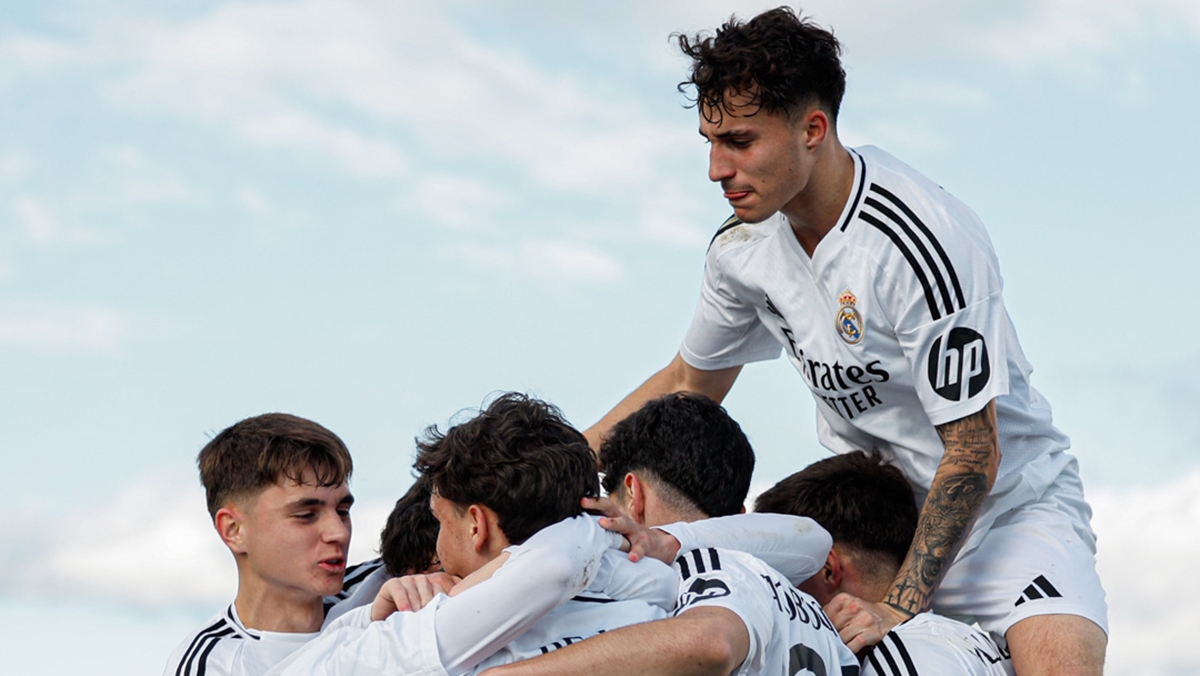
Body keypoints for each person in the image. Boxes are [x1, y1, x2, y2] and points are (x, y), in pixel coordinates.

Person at [583, 8, 1107, 675]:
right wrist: (560, 469)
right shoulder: (741, 250)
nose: (717, 167)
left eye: (740, 141)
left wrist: (898, 605)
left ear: (812, 129)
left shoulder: (922, 241)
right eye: (709, 140)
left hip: (1010, 519)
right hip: (875, 531)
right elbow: (690, 384)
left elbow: (974, 450)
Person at [267, 393, 676, 676]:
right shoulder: (665, 602)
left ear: (476, 526)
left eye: (441, 521)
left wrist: (370, 619)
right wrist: (601, 531)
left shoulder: (419, 640)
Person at [485, 392, 857, 676]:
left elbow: (710, 642)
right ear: (739, 516)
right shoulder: (798, 598)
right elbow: (808, 538)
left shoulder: (707, 570)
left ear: (634, 493)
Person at [756, 450, 1012, 675]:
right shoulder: (954, 644)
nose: (776, 600)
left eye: (783, 578)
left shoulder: (903, 654)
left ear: (827, 570)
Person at [164, 413, 364, 676]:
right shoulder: (213, 665)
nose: (338, 532)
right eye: (306, 515)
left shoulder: (387, 584)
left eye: (342, 511)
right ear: (234, 530)